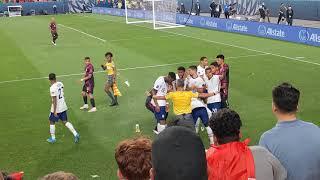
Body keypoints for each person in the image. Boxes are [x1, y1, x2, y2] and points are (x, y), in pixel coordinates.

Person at [259, 83, 320, 180]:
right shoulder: (315, 130)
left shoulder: (267, 139)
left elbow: (264, 176)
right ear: (297, 107)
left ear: (274, 106)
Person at [207, 109, 287, 180]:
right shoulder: (262, 153)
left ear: (214, 138)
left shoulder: (205, 161)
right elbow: (282, 175)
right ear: (240, 134)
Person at [47, 73, 80, 144]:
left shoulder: (52, 88)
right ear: (55, 78)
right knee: (65, 121)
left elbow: (54, 100)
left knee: (51, 121)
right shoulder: (60, 83)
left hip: (57, 108)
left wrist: (55, 111)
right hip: (63, 105)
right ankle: (75, 134)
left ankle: (53, 138)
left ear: (49, 79)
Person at [187, 66, 213, 143]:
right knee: (204, 123)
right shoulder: (189, 79)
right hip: (198, 103)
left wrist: (194, 88)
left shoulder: (199, 79)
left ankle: (195, 140)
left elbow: (202, 90)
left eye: (189, 70)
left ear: (194, 71)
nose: (188, 72)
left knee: (201, 121)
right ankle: (211, 140)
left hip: (198, 101)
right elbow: (187, 89)